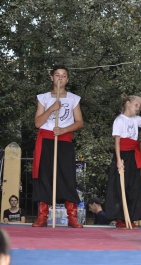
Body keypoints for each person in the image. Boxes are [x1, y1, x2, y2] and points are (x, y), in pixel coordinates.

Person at [32, 65, 84, 228]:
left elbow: (79, 122)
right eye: (57, 75)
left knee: (67, 177)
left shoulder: (73, 98)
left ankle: (72, 216)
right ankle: (42, 216)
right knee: (45, 177)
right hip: (47, 139)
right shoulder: (44, 98)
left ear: (67, 79)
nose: (60, 78)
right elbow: (38, 123)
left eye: (63, 75)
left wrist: (63, 129)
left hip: (64, 140)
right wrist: (51, 109)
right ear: (51, 78)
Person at [105, 95, 141, 229]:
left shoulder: (136, 120)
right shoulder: (119, 120)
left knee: (134, 186)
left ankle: (130, 217)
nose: (138, 108)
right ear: (127, 103)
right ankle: (121, 218)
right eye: (136, 105)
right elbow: (117, 141)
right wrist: (119, 160)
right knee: (121, 187)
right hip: (122, 155)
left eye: (139, 106)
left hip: (133, 154)